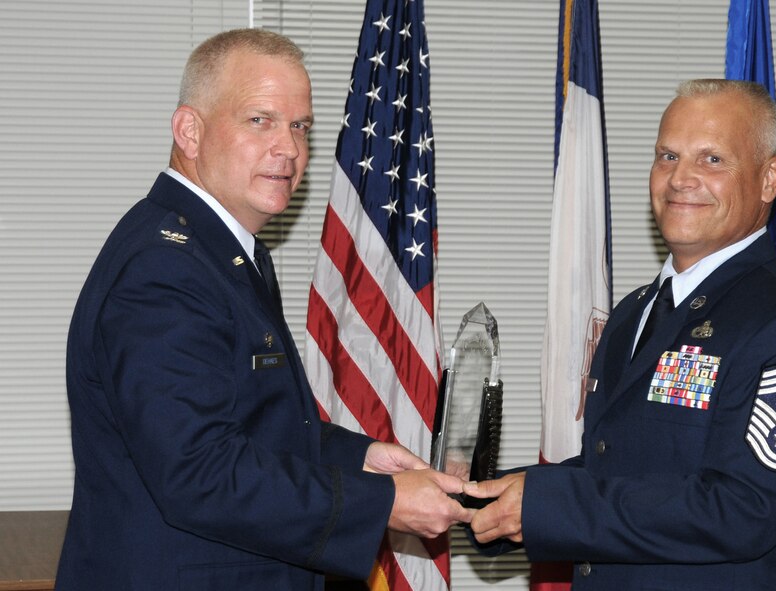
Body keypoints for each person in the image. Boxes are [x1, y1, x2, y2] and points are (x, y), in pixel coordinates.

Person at [56, 28, 472, 591]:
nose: (290, 147)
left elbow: (250, 426)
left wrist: (362, 460)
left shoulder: (223, 252)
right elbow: (199, 471)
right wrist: (380, 503)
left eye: (300, 126)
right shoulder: (164, 268)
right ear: (189, 131)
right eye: (261, 120)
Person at [466, 79, 776, 590]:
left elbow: (743, 509)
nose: (680, 178)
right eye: (667, 156)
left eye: (712, 159)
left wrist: (548, 507)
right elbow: (621, 464)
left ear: (769, 180)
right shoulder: (632, 314)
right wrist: (501, 493)